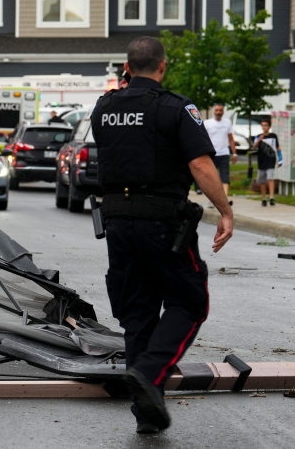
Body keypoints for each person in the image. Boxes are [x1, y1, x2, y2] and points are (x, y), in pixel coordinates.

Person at [91, 36, 233, 435]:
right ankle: (150, 374)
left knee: (138, 314)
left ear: (127, 66)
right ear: (163, 66)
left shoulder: (104, 108)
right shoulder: (176, 107)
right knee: (190, 301)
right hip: (161, 223)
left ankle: (147, 415)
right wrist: (225, 210)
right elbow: (202, 166)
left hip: (116, 223)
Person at [202, 104, 237, 204]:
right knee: (212, 178)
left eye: (220, 110)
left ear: (223, 112)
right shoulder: (207, 123)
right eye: (217, 110)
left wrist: (234, 154)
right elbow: (203, 139)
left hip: (224, 153)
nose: (218, 112)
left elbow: (231, 139)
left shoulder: (227, 122)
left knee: (225, 176)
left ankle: (225, 199)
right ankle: (212, 199)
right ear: (214, 111)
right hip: (212, 154)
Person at [252, 119, 282, 206]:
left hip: (271, 159)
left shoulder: (273, 136)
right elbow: (254, 146)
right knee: (262, 180)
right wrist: (259, 140)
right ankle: (264, 198)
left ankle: (272, 197)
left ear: (269, 126)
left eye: (266, 125)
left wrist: (280, 159)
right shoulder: (258, 136)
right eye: (262, 125)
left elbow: (278, 147)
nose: (264, 127)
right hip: (261, 160)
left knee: (270, 178)